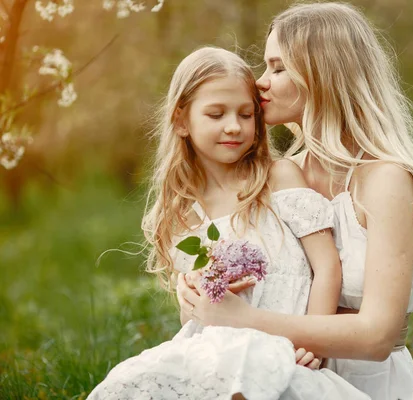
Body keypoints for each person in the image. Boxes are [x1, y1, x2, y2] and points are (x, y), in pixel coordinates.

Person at [178, 3, 413, 400]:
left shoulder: (384, 180)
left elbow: (378, 335)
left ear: (322, 74)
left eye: (277, 67)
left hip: (367, 386)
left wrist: (248, 321)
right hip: (275, 376)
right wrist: (197, 294)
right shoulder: (276, 176)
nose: (260, 83)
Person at [88, 46, 369, 400]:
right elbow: (195, 320)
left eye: (246, 114)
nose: (233, 126)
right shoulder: (182, 213)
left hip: (286, 348)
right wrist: (190, 295)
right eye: (216, 114)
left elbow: (327, 266)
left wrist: (315, 341)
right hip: (217, 351)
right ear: (181, 121)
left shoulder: (278, 178)